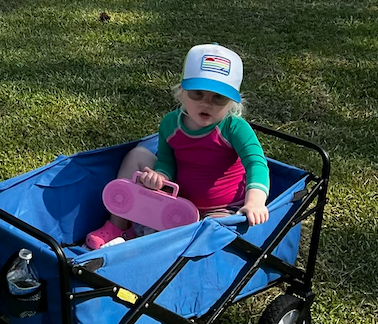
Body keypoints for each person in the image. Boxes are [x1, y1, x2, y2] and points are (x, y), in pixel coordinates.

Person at [86, 43, 270, 248]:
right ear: (182, 91)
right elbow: (166, 161)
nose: (206, 103)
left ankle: (155, 238)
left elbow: (257, 164)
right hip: (177, 203)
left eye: (218, 97)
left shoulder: (234, 128)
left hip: (222, 208)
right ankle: (118, 226)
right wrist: (160, 177)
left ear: (232, 102)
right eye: (197, 93)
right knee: (137, 154)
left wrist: (254, 202)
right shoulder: (171, 124)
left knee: (211, 234)